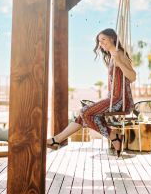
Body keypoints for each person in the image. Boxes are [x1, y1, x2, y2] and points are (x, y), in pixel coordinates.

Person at [47, 28, 136, 156]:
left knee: (84, 112)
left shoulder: (119, 54)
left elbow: (133, 77)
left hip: (120, 100)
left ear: (113, 38)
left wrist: (120, 62)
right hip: (112, 98)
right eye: (99, 41)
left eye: (104, 39)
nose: (101, 43)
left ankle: (114, 136)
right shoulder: (112, 56)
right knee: (81, 117)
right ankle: (56, 141)